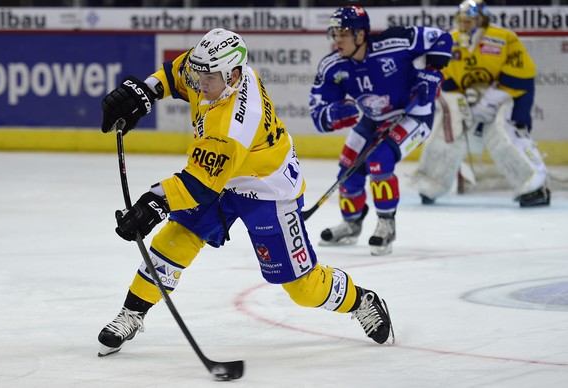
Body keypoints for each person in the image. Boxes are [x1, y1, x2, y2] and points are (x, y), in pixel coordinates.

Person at [97, 28, 395, 357]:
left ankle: (360, 299)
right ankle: (133, 313)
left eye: (208, 78)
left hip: (267, 188)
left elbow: (197, 184)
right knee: (175, 238)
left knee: (303, 289)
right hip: (223, 177)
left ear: (234, 75)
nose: (199, 83)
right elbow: (175, 73)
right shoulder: (212, 70)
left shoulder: (235, 123)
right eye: (199, 74)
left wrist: (151, 204)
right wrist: (146, 91)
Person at [308, 6, 453, 255]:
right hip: (374, 118)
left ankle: (387, 223)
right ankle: (352, 223)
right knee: (347, 166)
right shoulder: (333, 66)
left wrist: (431, 74)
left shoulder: (395, 43)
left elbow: (442, 37)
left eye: (344, 33)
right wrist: (333, 114)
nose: (338, 40)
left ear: (361, 34)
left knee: (379, 158)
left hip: (413, 114)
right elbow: (318, 112)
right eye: (335, 33)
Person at [411, 0, 550, 207]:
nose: (464, 25)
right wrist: (457, 99)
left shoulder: (504, 38)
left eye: (470, 21)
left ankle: (534, 187)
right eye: (462, 21)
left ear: (482, 20)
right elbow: (442, 73)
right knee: (447, 133)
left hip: (501, 98)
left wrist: (493, 99)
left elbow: (523, 74)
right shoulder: (451, 40)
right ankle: (430, 184)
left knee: (504, 137)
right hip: (464, 99)